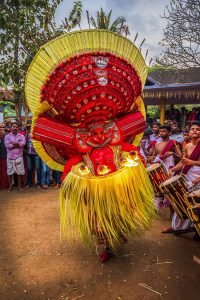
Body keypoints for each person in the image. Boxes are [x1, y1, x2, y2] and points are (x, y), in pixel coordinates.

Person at [167, 121, 200, 235]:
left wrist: (192, 162)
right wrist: (172, 170)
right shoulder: (187, 146)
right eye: (192, 129)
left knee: (197, 204)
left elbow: (189, 162)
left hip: (198, 177)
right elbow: (183, 162)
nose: (194, 130)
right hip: (188, 177)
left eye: (197, 129)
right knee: (183, 201)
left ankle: (197, 230)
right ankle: (177, 227)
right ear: (189, 132)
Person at [150, 125, 182, 210]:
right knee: (158, 187)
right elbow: (154, 157)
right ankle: (157, 208)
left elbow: (180, 157)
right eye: (161, 131)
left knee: (169, 189)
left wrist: (172, 154)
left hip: (170, 168)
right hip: (159, 168)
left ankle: (172, 211)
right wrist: (149, 159)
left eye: (164, 131)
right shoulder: (157, 144)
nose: (161, 133)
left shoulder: (174, 143)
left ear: (169, 133)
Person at [4, 121, 26, 192]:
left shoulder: (21, 136)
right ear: (11, 127)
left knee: (19, 173)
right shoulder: (7, 136)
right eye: (14, 127)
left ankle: (19, 186)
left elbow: (23, 144)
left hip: (19, 156)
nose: (15, 128)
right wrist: (17, 144)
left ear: (18, 128)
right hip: (10, 157)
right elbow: (7, 146)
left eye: (16, 127)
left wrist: (13, 143)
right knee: (9, 173)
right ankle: (10, 186)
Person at [26, 121, 41, 188]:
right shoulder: (26, 134)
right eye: (29, 126)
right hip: (29, 154)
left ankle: (38, 183)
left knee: (38, 168)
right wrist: (26, 133)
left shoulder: (37, 133)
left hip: (36, 154)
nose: (30, 127)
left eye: (31, 126)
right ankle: (29, 183)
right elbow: (24, 142)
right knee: (29, 169)